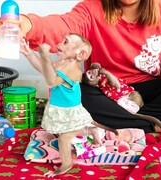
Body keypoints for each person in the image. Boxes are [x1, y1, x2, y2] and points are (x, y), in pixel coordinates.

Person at [0, 0, 161, 134]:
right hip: (104, 91)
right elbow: (62, 26)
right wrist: (26, 24)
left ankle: (126, 121)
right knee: (79, 96)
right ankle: (156, 126)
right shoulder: (91, 9)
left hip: (146, 90)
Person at [20, 33, 103, 177]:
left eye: (65, 42)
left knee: (64, 138)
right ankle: (91, 130)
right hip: (61, 109)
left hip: (70, 111)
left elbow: (51, 81)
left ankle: (66, 164)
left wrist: (45, 56)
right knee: (61, 131)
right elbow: (44, 70)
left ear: (80, 54)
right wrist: (29, 53)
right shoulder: (62, 63)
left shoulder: (72, 69)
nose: (59, 44)